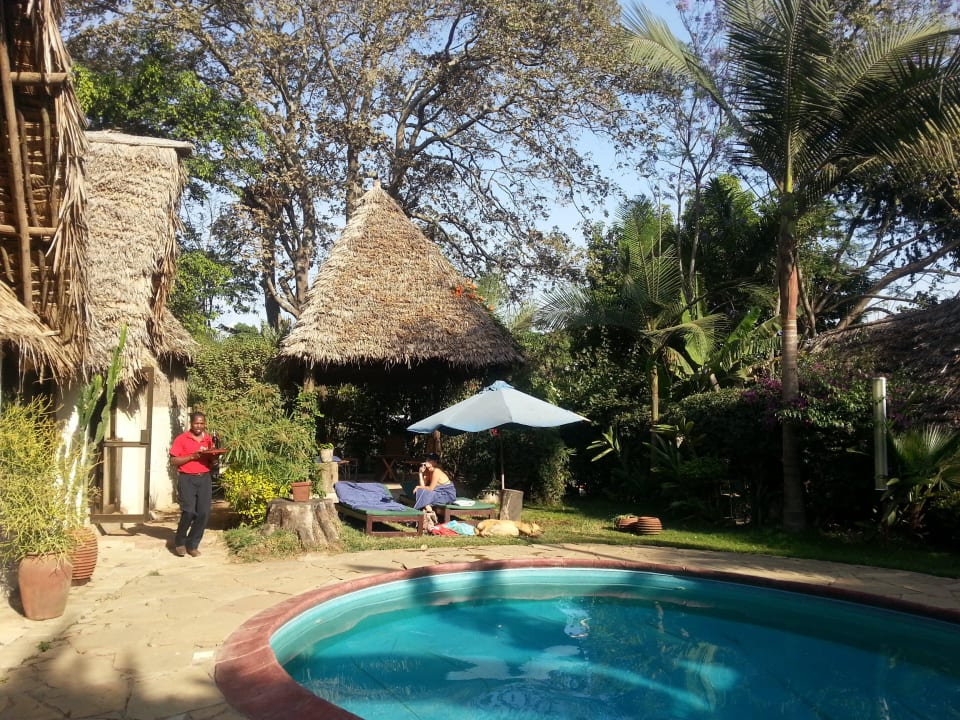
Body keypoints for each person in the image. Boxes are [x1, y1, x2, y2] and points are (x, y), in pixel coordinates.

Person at [169, 412, 216, 557]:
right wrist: (191, 457)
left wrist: (214, 460)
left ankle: (193, 544)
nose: (199, 426)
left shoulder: (208, 439)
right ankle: (180, 542)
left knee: (203, 513)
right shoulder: (182, 439)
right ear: (191, 423)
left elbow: (211, 459)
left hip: (204, 478)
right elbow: (173, 461)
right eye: (197, 423)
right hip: (187, 478)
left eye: (202, 423)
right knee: (189, 511)